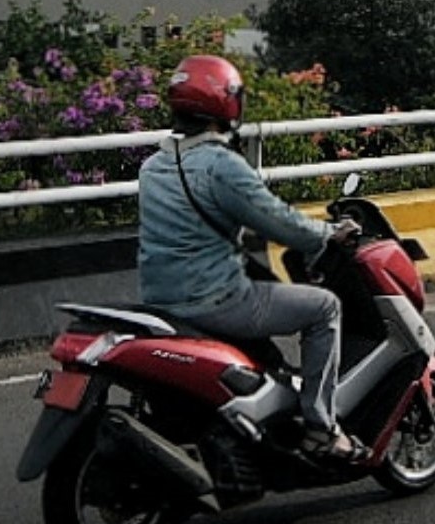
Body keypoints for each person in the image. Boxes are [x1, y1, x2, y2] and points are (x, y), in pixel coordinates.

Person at [137, 53, 363, 463]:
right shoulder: (220, 166)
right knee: (325, 308)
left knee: (264, 296)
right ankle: (322, 428)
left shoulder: (153, 166)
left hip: (161, 302)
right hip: (215, 301)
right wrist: (328, 234)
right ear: (225, 103)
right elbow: (278, 221)